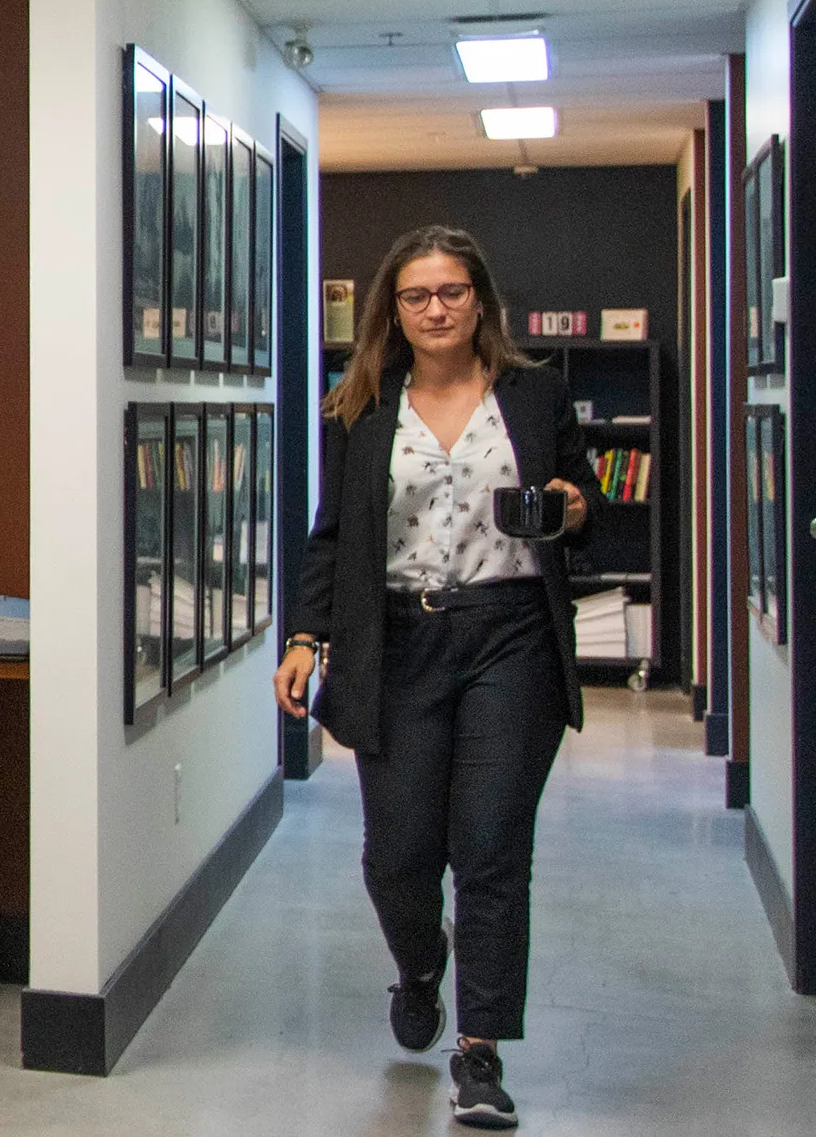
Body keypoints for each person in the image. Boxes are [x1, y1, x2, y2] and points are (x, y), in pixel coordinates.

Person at [275, 224, 594, 1131]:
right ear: (394, 311)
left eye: (452, 291)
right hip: (399, 646)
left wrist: (571, 507)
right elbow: (332, 537)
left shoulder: (535, 399)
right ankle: (421, 966)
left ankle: (481, 1053)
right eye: (417, 296)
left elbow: (578, 504)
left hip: (511, 638)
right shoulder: (363, 408)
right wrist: (306, 636)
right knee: (399, 857)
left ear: (481, 300)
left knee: (492, 847)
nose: (437, 308)